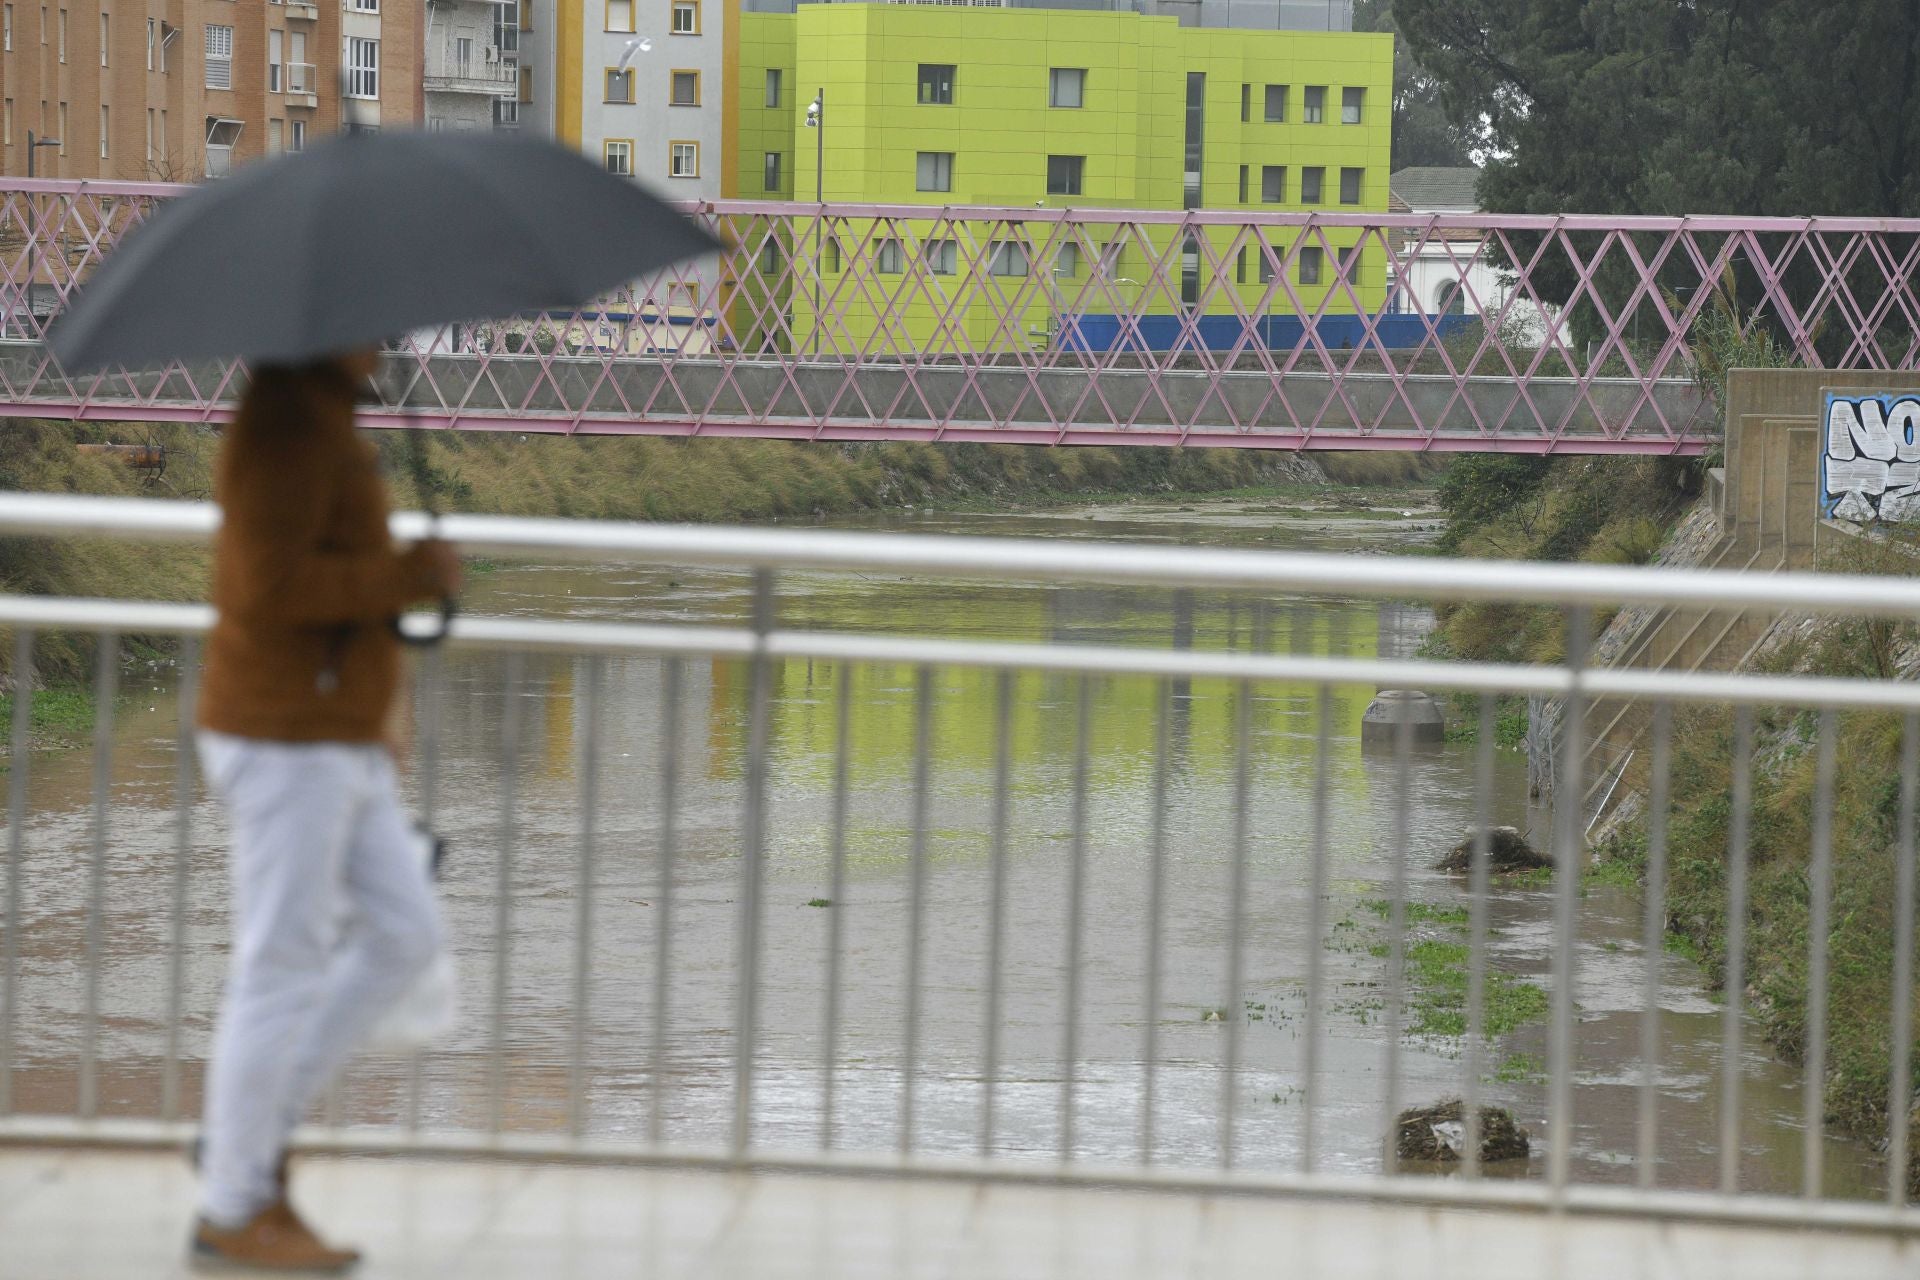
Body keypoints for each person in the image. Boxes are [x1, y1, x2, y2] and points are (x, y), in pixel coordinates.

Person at [190, 348, 462, 1273]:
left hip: (332, 731)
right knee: (280, 966)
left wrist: (382, 694)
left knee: (403, 933)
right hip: (286, 738)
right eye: (370, 325)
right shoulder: (287, 427)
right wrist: (406, 575)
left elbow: (327, 571)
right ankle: (235, 1201)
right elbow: (271, 587)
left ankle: (243, 1135)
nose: (384, 339)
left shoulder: (320, 414)